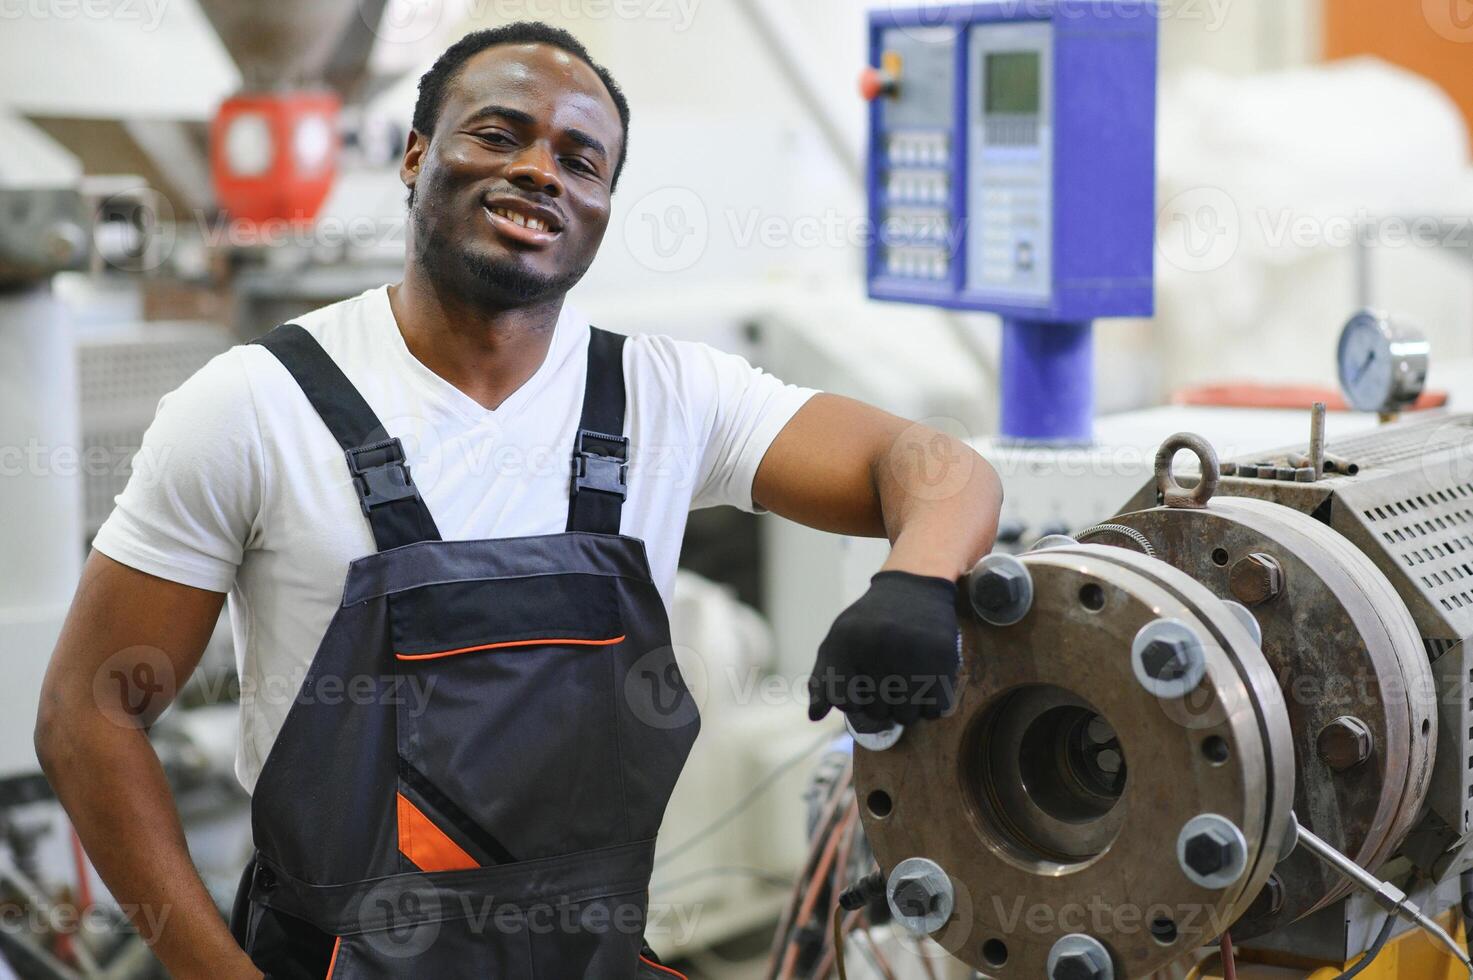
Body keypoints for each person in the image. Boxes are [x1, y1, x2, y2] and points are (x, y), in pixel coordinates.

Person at [35, 21, 1001, 979]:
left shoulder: (667, 397)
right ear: (415, 159)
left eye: (580, 161)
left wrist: (913, 581)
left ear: (603, 207)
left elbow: (938, 467)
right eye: (498, 136)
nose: (541, 171)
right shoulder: (256, 405)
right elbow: (87, 713)